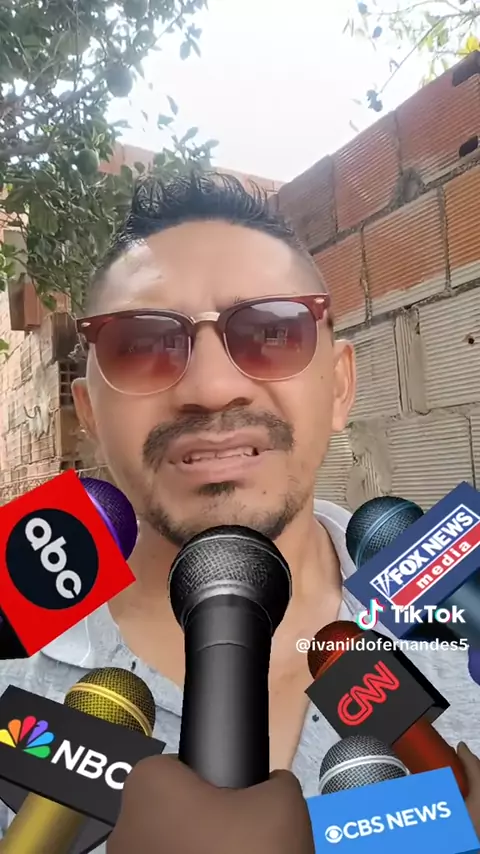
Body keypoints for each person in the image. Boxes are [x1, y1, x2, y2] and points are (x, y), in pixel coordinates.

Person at [0, 174, 479, 850]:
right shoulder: (14, 664)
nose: (212, 386)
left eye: (271, 331)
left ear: (340, 387)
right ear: (90, 416)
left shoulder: (461, 600)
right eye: (140, 344)